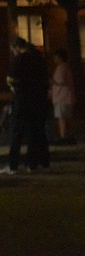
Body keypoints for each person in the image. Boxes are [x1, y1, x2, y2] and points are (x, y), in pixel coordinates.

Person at [2, 37, 50, 175]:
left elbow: (11, 79)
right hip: (38, 100)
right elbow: (45, 79)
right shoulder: (39, 59)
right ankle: (33, 163)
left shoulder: (19, 60)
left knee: (16, 132)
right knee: (35, 131)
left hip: (22, 100)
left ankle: (13, 165)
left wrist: (14, 88)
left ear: (16, 47)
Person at [50, 49, 76, 144]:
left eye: (55, 57)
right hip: (67, 96)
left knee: (62, 117)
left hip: (62, 97)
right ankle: (70, 136)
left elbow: (60, 81)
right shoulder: (67, 67)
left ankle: (63, 136)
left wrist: (51, 82)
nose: (54, 59)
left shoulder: (61, 68)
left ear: (59, 58)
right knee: (68, 117)